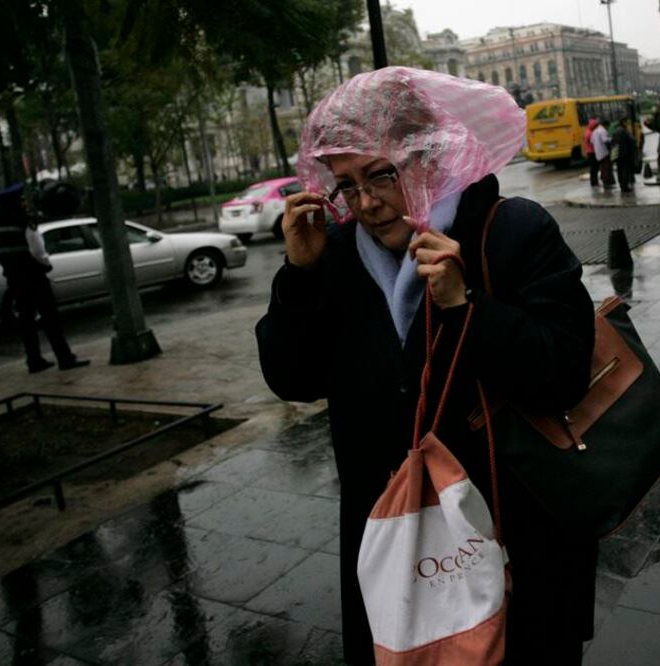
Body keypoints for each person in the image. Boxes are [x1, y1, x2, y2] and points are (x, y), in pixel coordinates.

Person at [255, 67, 597, 665]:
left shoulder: (511, 231)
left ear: (429, 154)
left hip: (513, 547)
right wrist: (299, 277)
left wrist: (466, 309)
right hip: (395, 551)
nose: (365, 203)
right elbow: (293, 380)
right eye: (346, 185)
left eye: (380, 175)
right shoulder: (332, 258)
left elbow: (563, 374)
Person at [0, 183, 89, 373]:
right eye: (22, 200)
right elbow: (37, 251)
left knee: (26, 321)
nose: (25, 203)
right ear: (18, 202)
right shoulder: (26, 222)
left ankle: (34, 361)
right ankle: (65, 358)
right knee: (51, 319)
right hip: (34, 278)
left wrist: (11, 267)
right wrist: (45, 265)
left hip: (14, 279)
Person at [609, 116, 638, 193]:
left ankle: (621, 185)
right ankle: (625, 186)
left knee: (619, 170)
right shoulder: (624, 131)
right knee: (625, 170)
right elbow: (632, 141)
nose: (627, 124)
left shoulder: (615, 131)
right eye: (626, 122)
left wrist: (613, 156)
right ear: (624, 122)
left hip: (617, 154)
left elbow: (612, 143)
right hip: (625, 154)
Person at [590, 116, 614, 189]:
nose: (608, 128)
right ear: (606, 125)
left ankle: (605, 182)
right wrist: (611, 150)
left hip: (598, 153)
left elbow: (591, 142)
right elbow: (606, 141)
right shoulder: (603, 131)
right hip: (604, 153)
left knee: (602, 168)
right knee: (606, 168)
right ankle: (606, 184)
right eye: (608, 127)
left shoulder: (595, 131)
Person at [583, 117, 600, 187]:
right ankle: (594, 182)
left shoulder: (587, 131)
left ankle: (594, 181)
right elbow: (593, 142)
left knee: (593, 168)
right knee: (594, 168)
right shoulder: (590, 133)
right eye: (595, 125)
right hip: (592, 152)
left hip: (589, 152)